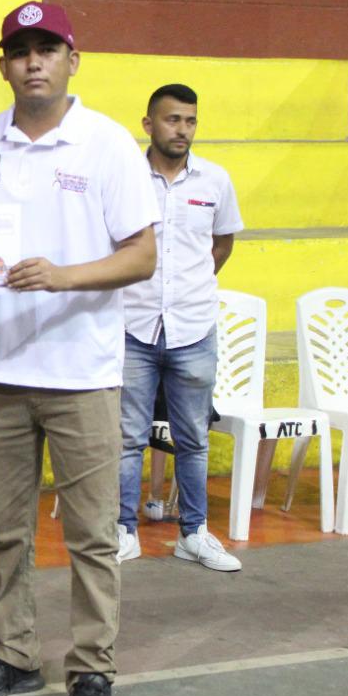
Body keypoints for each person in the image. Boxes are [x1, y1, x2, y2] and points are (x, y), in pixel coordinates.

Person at [0, 1, 158, 696]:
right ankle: (11, 654)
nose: (33, 61)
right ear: (3, 64)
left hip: (84, 374)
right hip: (0, 371)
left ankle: (92, 669)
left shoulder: (106, 145)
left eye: (49, 48)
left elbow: (142, 254)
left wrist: (62, 277)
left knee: (92, 535)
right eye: (20, 50)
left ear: (74, 59)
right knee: (6, 529)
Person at [116, 83, 242, 571]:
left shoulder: (215, 181)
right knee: (128, 436)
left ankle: (194, 533)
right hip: (133, 324)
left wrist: (187, 290)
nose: (182, 130)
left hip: (193, 328)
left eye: (190, 121)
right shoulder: (127, 178)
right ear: (149, 124)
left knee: (193, 437)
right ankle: (124, 531)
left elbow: (222, 246)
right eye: (172, 120)